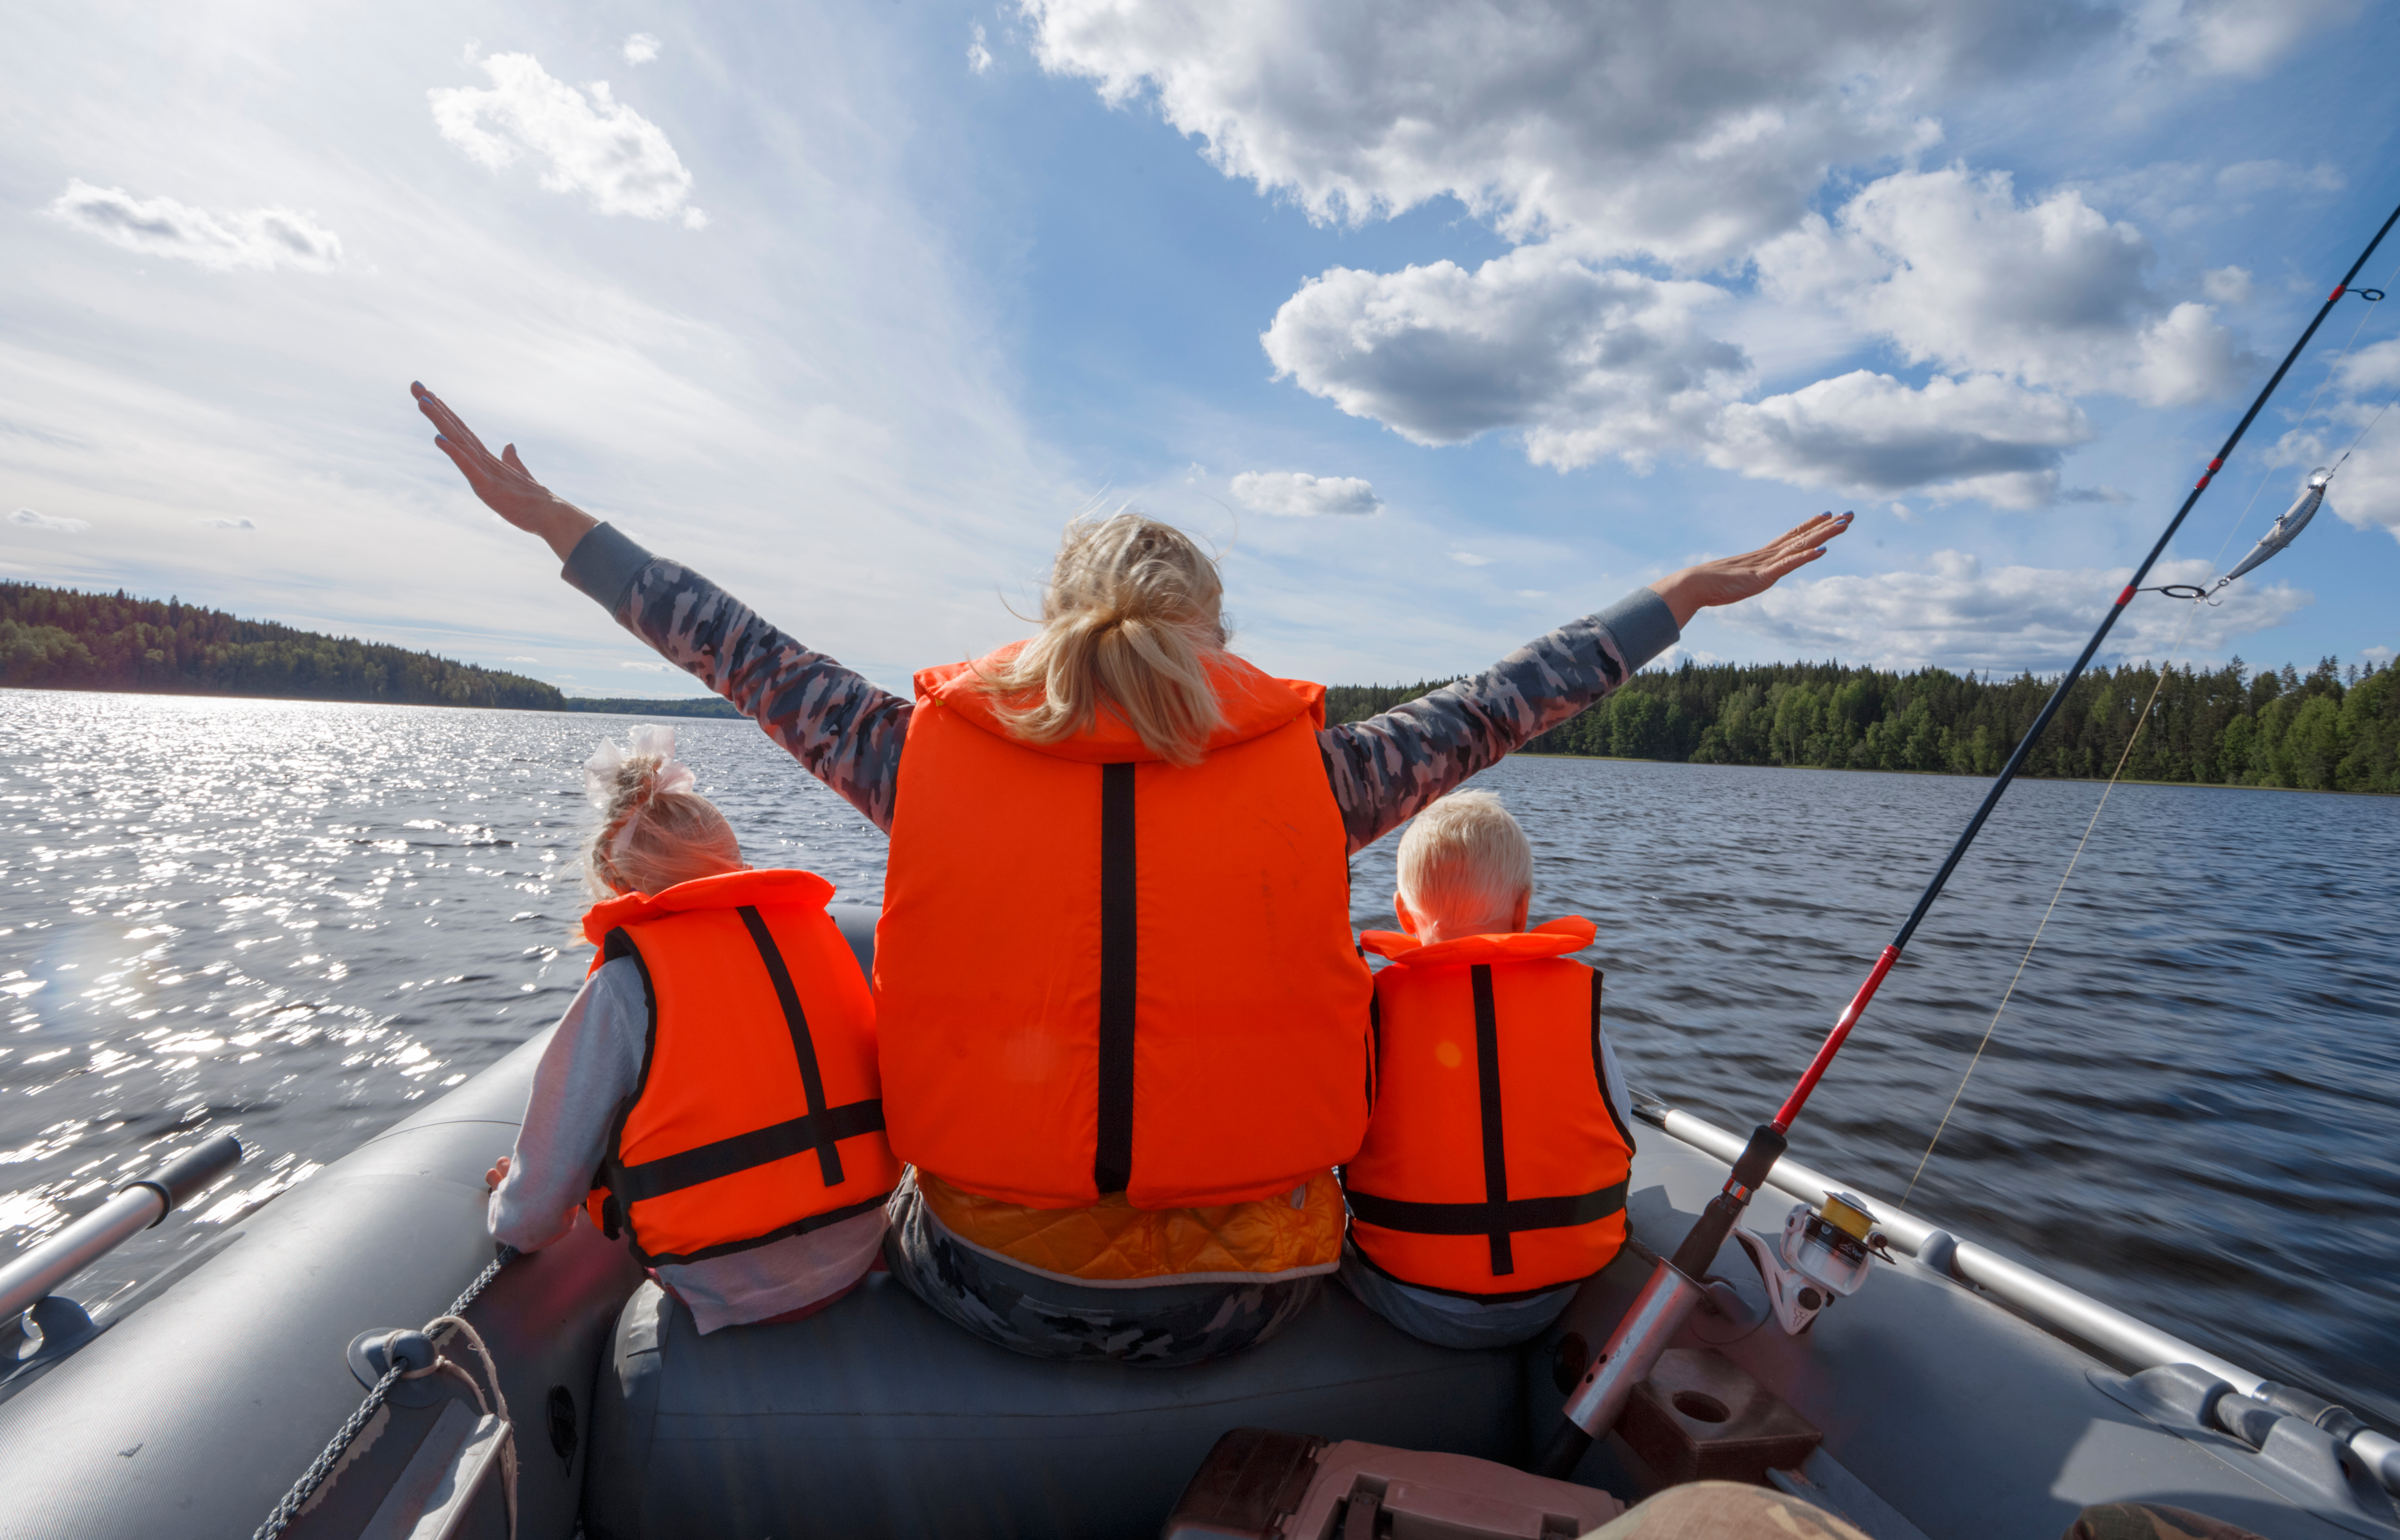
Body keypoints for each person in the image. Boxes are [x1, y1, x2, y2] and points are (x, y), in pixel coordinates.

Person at [416, 380, 1849, 1364]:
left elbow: (724, 641)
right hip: (1263, 1297)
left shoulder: (916, 757)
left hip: (999, 1288)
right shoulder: (1326, 775)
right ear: (1215, 637)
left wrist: (555, 524)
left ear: (1053, 623)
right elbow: (1514, 694)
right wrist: (1678, 597)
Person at [484, 724, 898, 1332]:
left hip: (721, 1285)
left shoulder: (625, 989)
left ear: (617, 880)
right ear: (734, 864)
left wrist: (507, 1199)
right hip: (858, 1251)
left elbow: (532, 1221)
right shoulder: (821, 940)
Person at [1340, 790, 1634, 1348]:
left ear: (1403, 914)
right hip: (1555, 1293)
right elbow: (1619, 1127)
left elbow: (1334, 1141)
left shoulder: (1372, 1012)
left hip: (1408, 1291)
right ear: (1523, 909)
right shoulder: (1579, 1008)